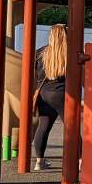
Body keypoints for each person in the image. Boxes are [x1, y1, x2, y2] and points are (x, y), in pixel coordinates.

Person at [33, 24, 67, 171]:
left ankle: (39, 162)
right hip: (61, 94)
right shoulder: (69, 53)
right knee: (71, 128)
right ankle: (79, 161)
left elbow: (34, 73)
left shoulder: (40, 52)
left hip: (43, 94)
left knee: (43, 127)